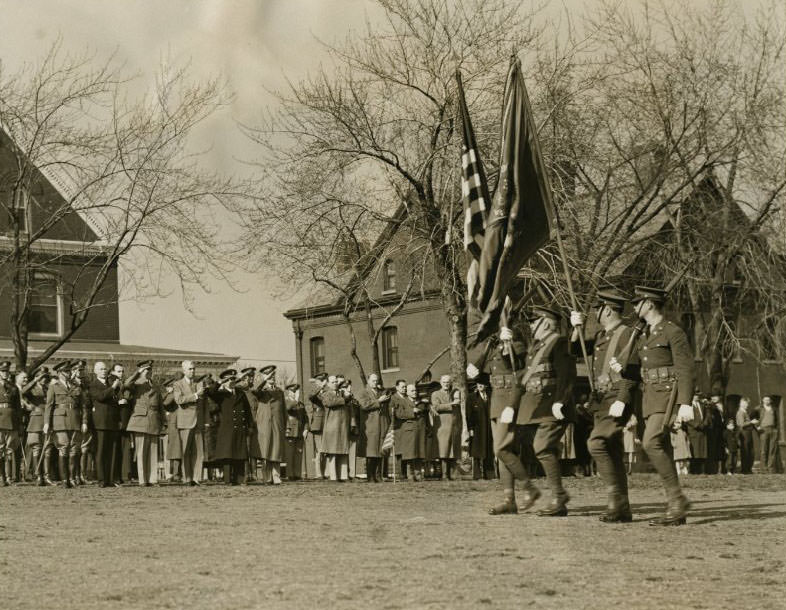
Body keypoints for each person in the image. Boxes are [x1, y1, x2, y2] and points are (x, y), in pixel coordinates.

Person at [570, 287, 639, 523]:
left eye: (598, 309)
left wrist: (622, 399)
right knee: (612, 451)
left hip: (617, 396)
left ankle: (614, 501)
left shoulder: (628, 334)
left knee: (596, 443)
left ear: (608, 310)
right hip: (601, 399)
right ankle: (623, 508)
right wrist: (574, 328)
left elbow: (633, 370)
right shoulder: (601, 336)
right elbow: (575, 350)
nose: (596, 313)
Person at [630, 285, 695, 525]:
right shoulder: (644, 334)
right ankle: (676, 509)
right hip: (649, 398)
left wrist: (685, 402)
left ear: (649, 303)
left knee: (651, 442)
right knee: (663, 447)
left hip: (667, 396)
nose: (635, 307)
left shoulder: (672, 332)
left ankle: (677, 499)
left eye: (637, 303)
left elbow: (685, 368)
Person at [513, 306, 576, 517]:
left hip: (553, 406)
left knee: (541, 447)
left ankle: (558, 496)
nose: (531, 326)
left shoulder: (558, 342)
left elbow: (566, 374)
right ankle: (559, 498)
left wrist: (560, 401)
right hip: (538, 407)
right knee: (542, 448)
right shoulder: (537, 346)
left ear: (546, 323)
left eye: (534, 322)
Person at [467, 323, 534, 514]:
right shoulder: (492, 347)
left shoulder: (518, 344)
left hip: (510, 401)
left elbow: (519, 364)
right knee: (501, 453)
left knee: (504, 449)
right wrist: (476, 370)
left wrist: (509, 343)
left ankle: (529, 488)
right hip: (496, 402)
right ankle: (509, 499)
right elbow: (485, 375)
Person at [206, 369, 254, 485]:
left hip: (240, 428)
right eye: (229, 379)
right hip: (227, 428)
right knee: (228, 455)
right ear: (225, 381)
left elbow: (247, 411)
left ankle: (239, 479)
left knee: (240, 454)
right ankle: (228, 479)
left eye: (233, 379)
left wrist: (250, 425)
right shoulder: (220, 394)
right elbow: (210, 392)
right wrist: (219, 382)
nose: (232, 381)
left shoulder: (240, 393)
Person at [44, 361, 87, 488]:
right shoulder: (54, 387)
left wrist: (84, 421)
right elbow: (49, 406)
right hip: (60, 420)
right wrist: (47, 422)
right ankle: (64, 480)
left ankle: (72, 478)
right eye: (66, 371)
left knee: (74, 449)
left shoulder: (76, 386)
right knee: (63, 448)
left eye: (69, 371)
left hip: (75, 420)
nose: (69, 373)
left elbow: (83, 406)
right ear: (59, 373)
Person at [125, 361, 165, 486]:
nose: (149, 372)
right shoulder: (136, 383)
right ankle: (143, 480)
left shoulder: (155, 385)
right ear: (141, 371)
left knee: (153, 451)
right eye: (146, 370)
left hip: (153, 419)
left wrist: (164, 421)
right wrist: (137, 373)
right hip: (141, 419)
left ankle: (153, 479)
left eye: (150, 370)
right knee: (141, 451)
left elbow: (160, 405)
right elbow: (126, 384)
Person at [88, 361, 123, 487]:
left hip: (112, 422)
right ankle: (102, 479)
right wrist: (113, 387)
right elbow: (101, 397)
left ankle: (111, 479)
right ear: (96, 371)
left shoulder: (110, 384)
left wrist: (119, 420)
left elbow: (116, 403)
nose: (104, 371)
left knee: (112, 451)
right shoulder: (93, 385)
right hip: (100, 423)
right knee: (101, 451)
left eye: (105, 369)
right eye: (101, 369)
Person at [250, 365, 286, 484]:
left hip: (277, 424)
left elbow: (284, 410)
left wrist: (285, 425)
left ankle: (276, 475)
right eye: (269, 375)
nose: (272, 378)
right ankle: (267, 477)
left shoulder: (279, 391)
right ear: (264, 376)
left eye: (273, 375)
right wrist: (264, 380)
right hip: (264, 424)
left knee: (276, 449)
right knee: (265, 449)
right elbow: (255, 391)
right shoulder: (262, 391)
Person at [174, 360, 207, 486]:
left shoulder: (199, 383)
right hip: (185, 422)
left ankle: (196, 478)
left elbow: (204, 405)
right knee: (186, 451)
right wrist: (195, 396)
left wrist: (205, 420)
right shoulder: (178, 384)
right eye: (190, 369)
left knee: (199, 452)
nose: (192, 371)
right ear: (184, 371)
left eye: (193, 369)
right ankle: (187, 478)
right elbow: (179, 400)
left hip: (198, 421)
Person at [356, 373, 391, 483]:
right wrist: (379, 401)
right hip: (370, 425)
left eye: (377, 380)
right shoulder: (363, 392)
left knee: (380, 450)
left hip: (381, 424)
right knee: (370, 452)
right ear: (368, 381)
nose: (375, 383)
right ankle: (370, 476)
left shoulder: (381, 391)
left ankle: (378, 475)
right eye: (373, 380)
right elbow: (364, 405)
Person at [392, 382, 428, 481]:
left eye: (415, 390)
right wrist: (412, 412)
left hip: (420, 428)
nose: (414, 392)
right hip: (409, 429)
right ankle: (410, 474)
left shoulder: (421, 402)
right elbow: (399, 414)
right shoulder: (402, 401)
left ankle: (418, 473)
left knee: (419, 451)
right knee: (410, 453)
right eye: (412, 391)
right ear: (407, 392)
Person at [430, 374, 462, 480]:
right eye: (444, 382)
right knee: (444, 450)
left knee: (453, 450)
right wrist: (451, 404)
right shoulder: (436, 394)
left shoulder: (454, 393)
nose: (446, 384)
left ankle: (452, 474)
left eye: (448, 382)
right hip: (442, 425)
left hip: (454, 425)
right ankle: (444, 474)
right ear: (440, 383)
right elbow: (436, 406)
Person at [21, 367, 50, 485]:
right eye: (41, 377)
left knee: (47, 448)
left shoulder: (48, 388)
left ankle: (47, 476)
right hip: (36, 420)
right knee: (36, 447)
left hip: (47, 420)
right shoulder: (32, 389)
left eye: (45, 377)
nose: (44, 379)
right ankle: (37, 475)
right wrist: (34, 380)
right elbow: (23, 392)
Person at [320, 375, 352, 481]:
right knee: (332, 452)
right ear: (328, 383)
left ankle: (343, 475)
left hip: (342, 426)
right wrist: (344, 399)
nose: (335, 383)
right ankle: (333, 476)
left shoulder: (342, 393)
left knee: (343, 451)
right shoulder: (326, 394)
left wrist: (347, 396)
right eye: (333, 382)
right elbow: (330, 403)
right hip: (332, 427)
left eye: (336, 382)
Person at [466, 375, 495, 480]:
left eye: (482, 384)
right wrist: (471, 429)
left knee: (489, 450)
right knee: (476, 451)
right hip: (477, 428)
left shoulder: (491, 396)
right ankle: (477, 475)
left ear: (486, 385)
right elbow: (469, 415)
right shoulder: (471, 397)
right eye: (478, 384)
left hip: (489, 427)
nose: (480, 386)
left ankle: (490, 474)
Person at [0, 361, 22, 487]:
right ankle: (1, 477)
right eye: (3, 371)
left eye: (7, 371)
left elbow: (18, 407)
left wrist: (19, 423)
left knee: (9, 450)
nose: (5, 373)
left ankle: (8, 477)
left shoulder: (13, 387)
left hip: (11, 420)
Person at [112, 363, 134, 484]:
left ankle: (126, 475)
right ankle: (115, 476)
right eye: (118, 371)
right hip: (115, 420)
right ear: (113, 372)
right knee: (116, 449)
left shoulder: (126, 385)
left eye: (122, 371)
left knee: (126, 449)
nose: (121, 374)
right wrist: (118, 402)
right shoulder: (112, 384)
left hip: (126, 420)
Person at [305, 373, 328, 479]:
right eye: (320, 381)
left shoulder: (328, 391)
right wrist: (320, 387)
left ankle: (326, 472)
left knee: (326, 449)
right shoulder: (315, 392)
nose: (323, 383)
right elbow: (312, 397)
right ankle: (319, 473)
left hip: (327, 422)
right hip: (318, 424)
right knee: (320, 450)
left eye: (323, 381)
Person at [284, 383, 306, 480]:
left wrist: (306, 429)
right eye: (293, 391)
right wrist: (295, 400)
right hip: (290, 430)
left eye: (296, 391)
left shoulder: (300, 404)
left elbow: (305, 418)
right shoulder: (286, 401)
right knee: (290, 453)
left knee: (298, 453)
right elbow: (288, 408)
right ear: (288, 391)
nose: (295, 393)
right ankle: (290, 474)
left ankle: (297, 474)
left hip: (300, 431)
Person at [160, 376, 181, 481]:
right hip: (173, 424)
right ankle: (174, 473)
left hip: (175, 424)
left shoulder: (172, 395)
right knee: (173, 450)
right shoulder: (171, 394)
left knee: (175, 450)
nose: (168, 388)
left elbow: (164, 403)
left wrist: (168, 393)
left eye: (169, 386)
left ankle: (176, 474)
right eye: (167, 387)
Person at [686, 393, 709, 474]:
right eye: (695, 395)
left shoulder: (702, 405)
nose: (697, 397)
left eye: (698, 395)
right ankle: (694, 471)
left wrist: (705, 423)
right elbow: (686, 418)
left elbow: (706, 416)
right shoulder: (688, 406)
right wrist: (697, 425)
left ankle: (702, 470)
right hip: (694, 431)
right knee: (694, 451)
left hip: (702, 431)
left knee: (702, 451)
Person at [705, 392, 726, 474]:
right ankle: (712, 469)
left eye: (715, 396)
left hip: (721, 430)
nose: (714, 398)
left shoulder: (723, 406)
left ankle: (721, 469)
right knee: (712, 449)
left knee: (720, 450)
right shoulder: (710, 406)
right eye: (712, 397)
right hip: (713, 430)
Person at [757, 396, 779, 473]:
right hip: (763, 430)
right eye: (765, 399)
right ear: (763, 400)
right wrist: (757, 426)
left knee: (772, 450)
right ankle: (763, 468)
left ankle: (771, 468)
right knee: (763, 450)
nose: (767, 401)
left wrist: (776, 430)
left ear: (770, 401)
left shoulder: (774, 408)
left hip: (773, 430)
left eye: (768, 400)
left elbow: (777, 419)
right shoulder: (759, 409)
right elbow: (751, 417)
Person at [735, 397, 756, 474]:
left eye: (747, 404)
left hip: (748, 433)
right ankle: (745, 469)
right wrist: (751, 422)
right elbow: (741, 424)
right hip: (744, 434)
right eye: (745, 403)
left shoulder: (745, 412)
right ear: (741, 403)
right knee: (745, 451)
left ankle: (748, 468)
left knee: (750, 451)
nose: (747, 405)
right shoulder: (740, 412)